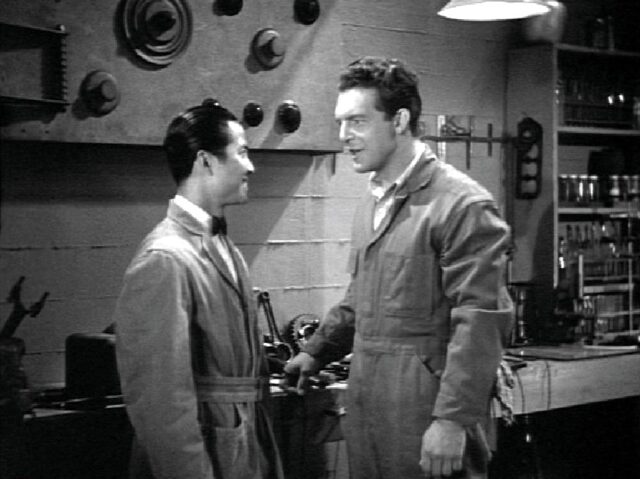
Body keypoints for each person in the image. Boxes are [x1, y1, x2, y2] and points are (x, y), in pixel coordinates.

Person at [283, 57, 514, 479]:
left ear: (400, 120)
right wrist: (316, 351)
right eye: (340, 123)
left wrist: (452, 420)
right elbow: (361, 298)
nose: (344, 136)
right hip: (369, 411)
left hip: (426, 415)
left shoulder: (461, 205)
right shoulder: (373, 202)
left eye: (357, 121)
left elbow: (481, 322)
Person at [114, 100, 283, 479]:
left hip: (239, 446)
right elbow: (161, 405)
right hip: (205, 456)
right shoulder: (165, 259)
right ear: (205, 161)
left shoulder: (221, 246)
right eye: (242, 153)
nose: (251, 166)